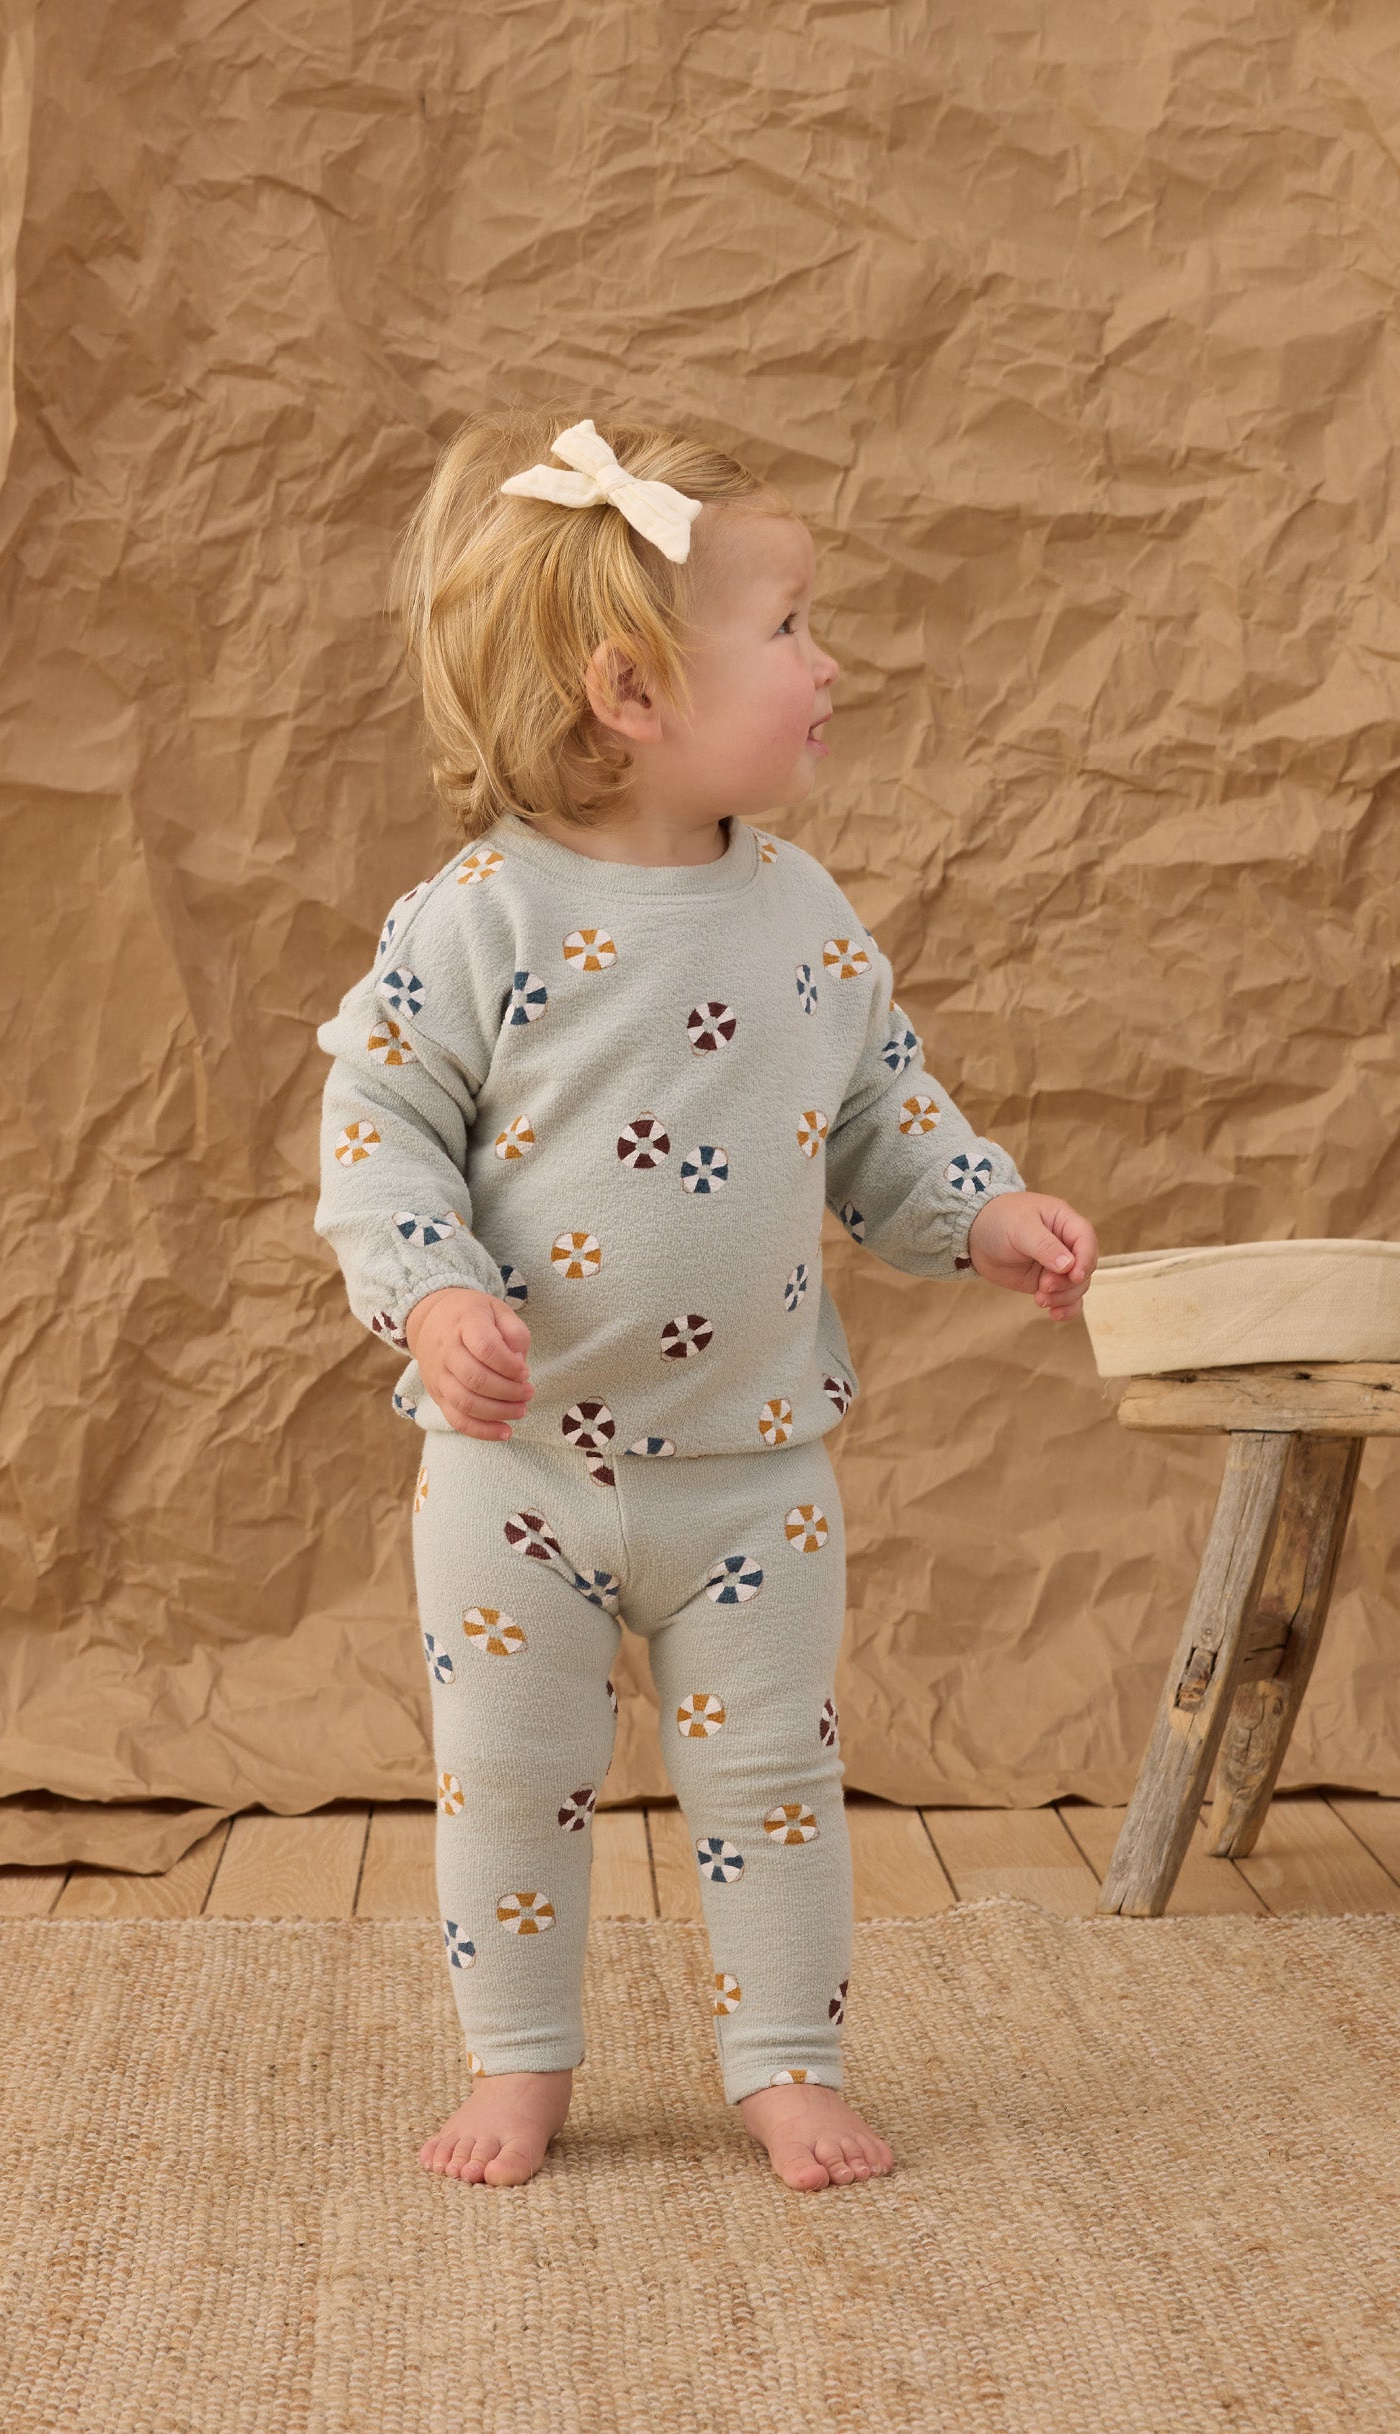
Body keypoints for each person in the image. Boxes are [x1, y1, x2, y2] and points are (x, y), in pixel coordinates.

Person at [312, 411, 1099, 2193]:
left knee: (774, 1785)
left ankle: (785, 2061)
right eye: (792, 627)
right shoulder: (477, 919)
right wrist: (431, 1303)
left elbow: (884, 1112)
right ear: (631, 690)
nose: (831, 665)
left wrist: (983, 1213)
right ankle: (519, 2062)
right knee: (512, 1782)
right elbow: (379, 1135)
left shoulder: (802, 915)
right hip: (517, 1475)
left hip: (754, 1468)